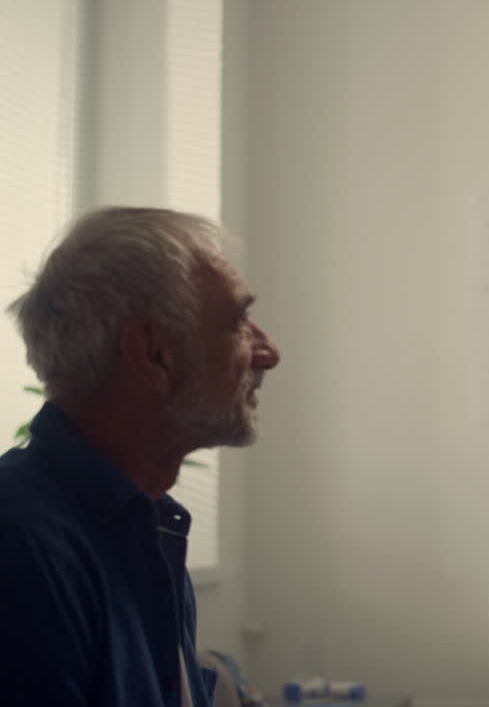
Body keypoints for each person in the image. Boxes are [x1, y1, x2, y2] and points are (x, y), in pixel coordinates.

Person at [0, 207, 281, 706]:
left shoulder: (149, 528)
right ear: (154, 355)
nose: (268, 351)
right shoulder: (22, 546)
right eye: (237, 321)